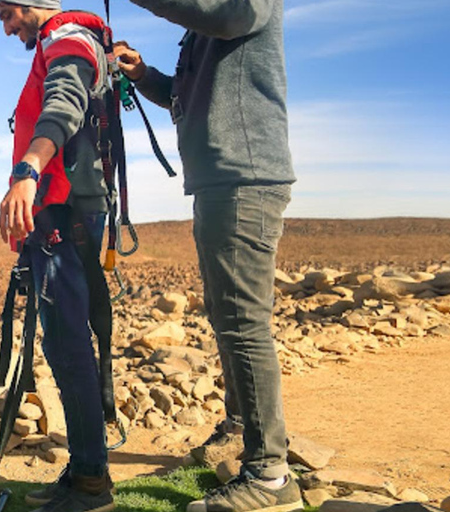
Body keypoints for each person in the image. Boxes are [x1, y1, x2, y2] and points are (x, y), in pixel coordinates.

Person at [113, 1, 304, 511]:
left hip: (244, 179)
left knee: (244, 324)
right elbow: (185, 97)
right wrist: (144, 73)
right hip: (221, 181)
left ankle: (269, 476)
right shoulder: (208, 25)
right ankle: (243, 431)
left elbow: (220, 15)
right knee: (228, 318)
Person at [0, 1, 115, 511]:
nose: (6, 27)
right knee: (65, 345)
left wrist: (27, 171)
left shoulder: (65, 39)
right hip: (62, 217)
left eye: (8, 12)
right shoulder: (63, 41)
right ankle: (85, 469)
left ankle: (91, 483)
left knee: (67, 346)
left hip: (64, 217)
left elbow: (63, 104)